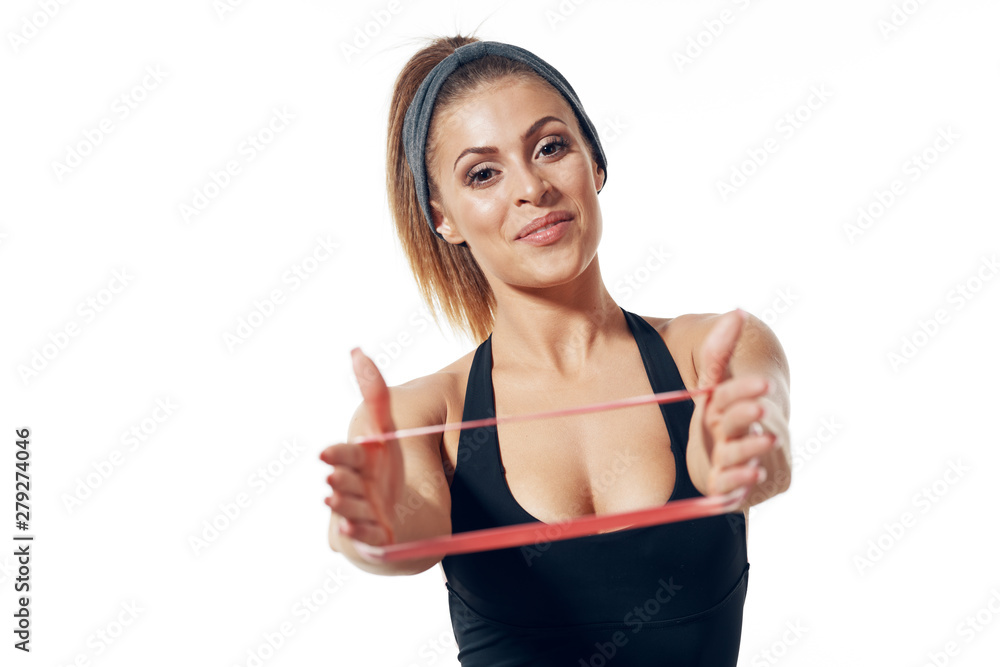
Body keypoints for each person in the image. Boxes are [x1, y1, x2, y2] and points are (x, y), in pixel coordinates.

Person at [320, 34, 791, 666]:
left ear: (594, 162)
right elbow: (407, 532)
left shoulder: (713, 352)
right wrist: (369, 531)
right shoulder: (424, 414)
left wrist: (736, 459)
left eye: (550, 147)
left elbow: (765, 457)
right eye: (483, 174)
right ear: (443, 218)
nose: (531, 188)